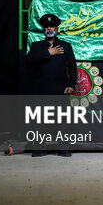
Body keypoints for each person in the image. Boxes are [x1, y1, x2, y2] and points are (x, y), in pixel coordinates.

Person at [25, 13, 77, 157]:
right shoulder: (36, 46)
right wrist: (48, 53)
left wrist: (72, 84)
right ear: (44, 29)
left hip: (60, 90)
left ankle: (64, 148)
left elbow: (72, 67)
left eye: (52, 26)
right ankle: (39, 148)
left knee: (62, 120)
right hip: (41, 90)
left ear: (57, 28)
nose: (49, 28)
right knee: (39, 120)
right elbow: (28, 62)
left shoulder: (65, 46)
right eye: (46, 26)